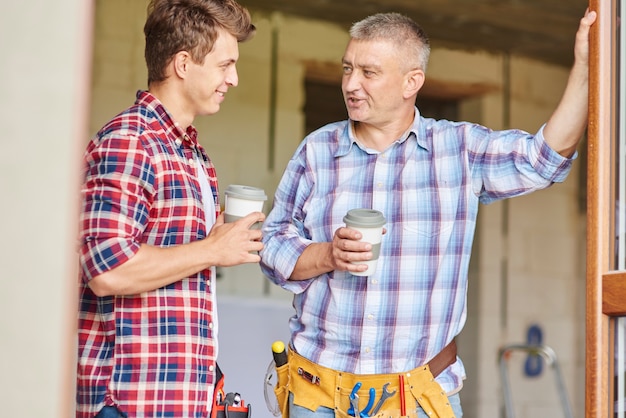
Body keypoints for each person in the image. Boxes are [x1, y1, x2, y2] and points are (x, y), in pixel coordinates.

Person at [260, 9, 597, 418]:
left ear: (411, 82)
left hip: (417, 400)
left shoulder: (459, 150)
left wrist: (584, 67)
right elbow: (273, 240)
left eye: (369, 72)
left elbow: (544, 158)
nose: (351, 84)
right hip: (317, 397)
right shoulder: (317, 151)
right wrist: (327, 255)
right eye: (347, 69)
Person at [76, 1, 262, 417]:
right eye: (224, 65)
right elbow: (108, 271)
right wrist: (211, 250)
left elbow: (180, 262)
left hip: (180, 395)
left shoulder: (193, 154)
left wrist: (219, 242)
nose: (233, 78)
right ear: (183, 63)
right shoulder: (129, 141)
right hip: (129, 400)